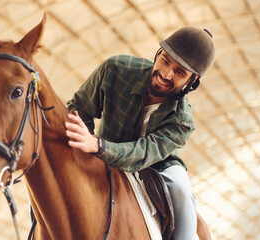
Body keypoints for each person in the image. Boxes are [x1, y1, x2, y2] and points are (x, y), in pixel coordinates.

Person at [65, 26, 216, 240]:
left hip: (156, 165)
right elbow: (79, 107)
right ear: (157, 54)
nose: (166, 74)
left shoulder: (182, 121)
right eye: (165, 61)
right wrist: (84, 141)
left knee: (182, 191)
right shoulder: (114, 69)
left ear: (192, 82)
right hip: (100, 149)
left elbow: (143, 152)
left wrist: (98, 146)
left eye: (179, 72)